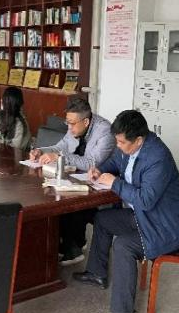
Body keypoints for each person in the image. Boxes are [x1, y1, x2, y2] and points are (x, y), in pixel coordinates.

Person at [73, 110, 179, 313]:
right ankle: (97, 273)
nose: (118, 146)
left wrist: (114, 183)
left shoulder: (158, 158)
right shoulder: (128, 147)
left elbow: (145, 200)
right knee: (103, 219)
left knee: (124, 245)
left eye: (121, 142)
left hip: (162, 227)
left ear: (139, 140)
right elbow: (115, 161)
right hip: (143, 219)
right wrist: (100, 170)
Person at [29, 97, 116, 265]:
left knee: (69, 201)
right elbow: (60, 147)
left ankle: (73, 248)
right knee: (54, 194)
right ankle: (67, 244)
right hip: (80, 177)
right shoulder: (75, 124)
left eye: (72, 124)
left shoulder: (105, 132)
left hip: (102, 183)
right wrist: (41, 151)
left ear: (86, 121)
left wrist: (61, 156)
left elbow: (91, 163)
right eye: (67, 123)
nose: (69, 128)